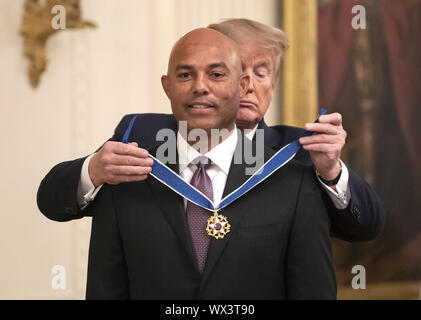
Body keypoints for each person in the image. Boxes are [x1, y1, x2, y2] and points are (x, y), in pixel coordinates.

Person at [37, 19, 384, 242]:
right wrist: (93, 170)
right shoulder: (142, 135)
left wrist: (333, 172)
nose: (246, 86)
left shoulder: (299, 151)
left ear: (273, 83)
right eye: (231, 70)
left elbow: (367, 226)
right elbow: (53, 201)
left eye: (260, 73)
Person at [85, 28, 336, 299]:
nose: (200, 87)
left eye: (216, 75)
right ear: (167, 86)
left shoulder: (293, 182)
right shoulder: (124, 178)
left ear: (241, 86)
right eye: (185, 75)